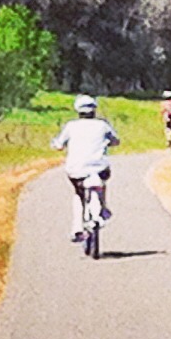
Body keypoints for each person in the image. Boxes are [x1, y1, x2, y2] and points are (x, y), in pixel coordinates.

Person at [51, 93, 119, 241]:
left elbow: (59, 145)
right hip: (100, 168)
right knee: (102, 182)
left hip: (76, 170)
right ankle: (103, 208)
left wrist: (56, 144)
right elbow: (115, 141)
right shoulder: (103, 125)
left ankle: (77, 228)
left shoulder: (71, 126)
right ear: (94, 109)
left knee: (78, 193)